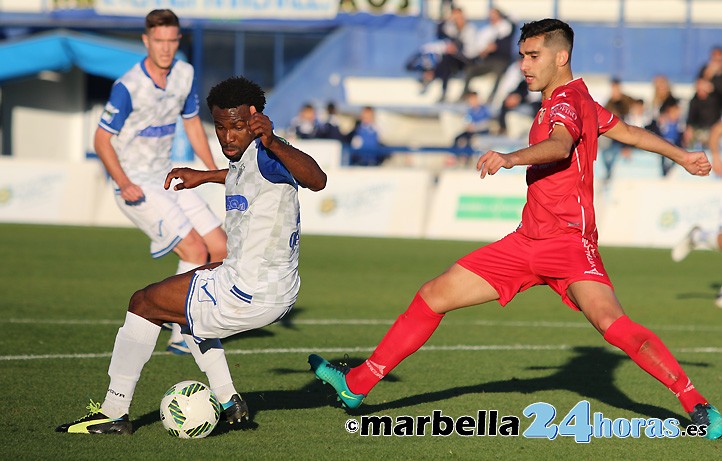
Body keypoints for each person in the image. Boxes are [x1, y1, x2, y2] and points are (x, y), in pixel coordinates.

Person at [309, 18, 722, 440]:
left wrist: (509, 157)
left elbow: (561, 146)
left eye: (533, 56)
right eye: (522, 55)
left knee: (612, 324)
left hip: (567, 245)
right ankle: (358, 383)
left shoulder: (564, 103)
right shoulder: (577, 100)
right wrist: (683, 157)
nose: (524, 65)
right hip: (526, 243)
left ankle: (697, 403)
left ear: (561, 57)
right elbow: (630, 132)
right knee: (433, 295)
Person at [56, 75, 327, 435]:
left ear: (257, 119)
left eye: (238, 126)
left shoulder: (271, 152)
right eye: (220, 127)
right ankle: (230, 401)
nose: (228, 136)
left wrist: (274, 139)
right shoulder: (251, 156)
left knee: (143, 302)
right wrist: (203, 176)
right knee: (187, 300)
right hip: (266, 284)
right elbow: (241, 175)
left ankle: (113, 412)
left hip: (248, 291)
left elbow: (317, 180)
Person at [93, 9, 227, 355]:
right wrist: (123, 181)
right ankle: (182, 332)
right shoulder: (127, 87)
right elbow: (101, 141)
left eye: (171, 41)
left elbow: (192, 122)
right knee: (195, 251)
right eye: (159, 41)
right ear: (146, 41)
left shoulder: (184, 73)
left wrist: (212, 171)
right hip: (136, 184)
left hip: (167, 176)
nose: (165, 49)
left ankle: (189, 319)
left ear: (178, 41)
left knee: (221, 248)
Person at [459, 7, 515, 103]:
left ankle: (492, 97)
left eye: (494, 15)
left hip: (501, 60)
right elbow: (479, 50)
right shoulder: (487, 31)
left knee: (499, 71)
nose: (492, 17)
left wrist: (494, 47)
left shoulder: (506, 28)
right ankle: (464, 95)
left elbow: (502, 46)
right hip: (488, 61)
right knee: (470, 70)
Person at [645, 98, 684, 176]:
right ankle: (664, 172)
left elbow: (680, 137)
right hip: (663, 144)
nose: (676, 114)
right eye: (674, 112)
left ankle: (668, 171)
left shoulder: (680, 124)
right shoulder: (663, 122)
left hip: (674, 145)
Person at [684, 78, 721, 150]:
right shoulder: (694, 100)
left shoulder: (715, 98)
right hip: (699, 130)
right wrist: (688, 128)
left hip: (714, 129)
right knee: (688, 135)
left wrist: (713, 88)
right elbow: (690, 118)